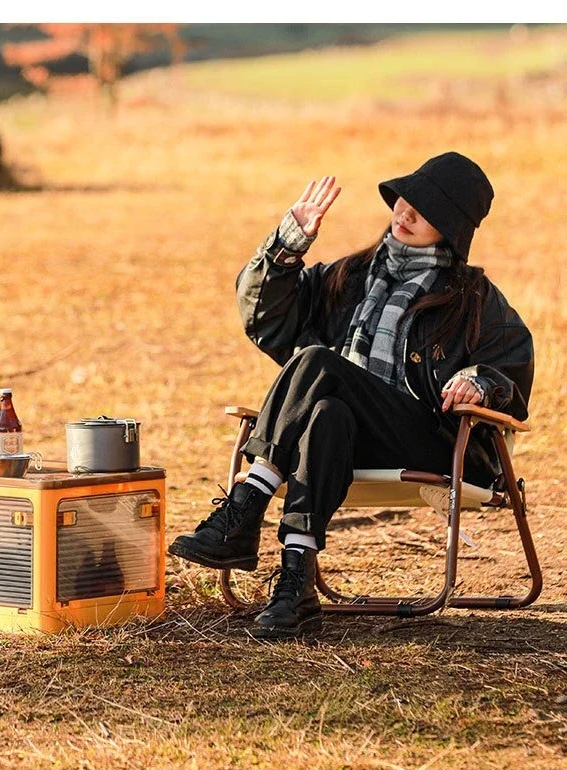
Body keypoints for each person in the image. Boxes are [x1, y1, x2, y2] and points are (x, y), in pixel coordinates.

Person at [168, 152, 534, 641]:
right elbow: (267, 319)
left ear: (450, 228)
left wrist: (480, 379)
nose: (404, 213)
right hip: (349, 438)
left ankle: (245, 506)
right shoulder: (348, 276)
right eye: (405, 199)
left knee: (318, 360)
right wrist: (287, 244)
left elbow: (511, 362)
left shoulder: (472, 298)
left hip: (428, 439)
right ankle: (297, 585)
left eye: (423, 211)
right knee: (326, 413)